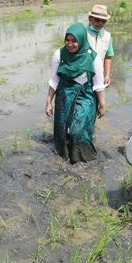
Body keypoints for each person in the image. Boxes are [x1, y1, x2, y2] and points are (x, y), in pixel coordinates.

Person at [45, 23, 107, 164]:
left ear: (82, 40)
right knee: (62, 130)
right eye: (68, 40)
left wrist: (102, 104)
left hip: (85, 95)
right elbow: (54, 81)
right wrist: (48, 102)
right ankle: (64, 155)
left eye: (74, 41)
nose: (70, 44)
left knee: (77, 131)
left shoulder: (93, 58)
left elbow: (98, 85)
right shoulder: (59, 54)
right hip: (64, 94)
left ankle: (83, 157)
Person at [86, 4, 115, 87]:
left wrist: (107, 75)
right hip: (82, 76)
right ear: (90, 19)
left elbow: (108, 56)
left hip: (99, 75)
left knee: (99, 99)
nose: (100, 23)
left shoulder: (107, 36)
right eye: (97, 20)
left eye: (103, 21)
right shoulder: (83, 33)